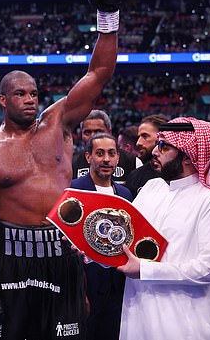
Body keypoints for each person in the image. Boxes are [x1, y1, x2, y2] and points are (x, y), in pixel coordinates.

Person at [0, 0, 126, 340]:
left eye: (34, 93)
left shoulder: (59, 124)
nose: (30, 100)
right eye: (20, 94)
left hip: (61, 251)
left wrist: (108, 16)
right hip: (11, 256)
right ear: (4, 100)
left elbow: (98, 74)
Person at [117, 117, 210, 340]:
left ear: (189, 157)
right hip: (137, 316)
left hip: (183, 324)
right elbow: (126, 241)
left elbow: (209, 269)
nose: (155, 151)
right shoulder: (152, 188)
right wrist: (92, 250)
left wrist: (145, 270)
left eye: (165, 146)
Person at [70, 133, 132, 340]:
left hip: (117, 285)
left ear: (117, 158)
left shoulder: (125, 194)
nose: (106, 159)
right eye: (100, 153)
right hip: (84, 284)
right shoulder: (74, 189)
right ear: (88, 157)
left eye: (111, 153)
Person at [71, 110, 140, 184]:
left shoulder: (133, 162)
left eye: (98, 131)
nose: (92, 136)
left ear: (109, 132)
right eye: (87, 132)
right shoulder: (72, 163)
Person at [125, 114, 169, 197]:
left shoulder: (179, 174)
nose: (138, 143)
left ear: (161, 137)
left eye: (145, 136)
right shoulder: (135, 176)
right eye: (139, 137)